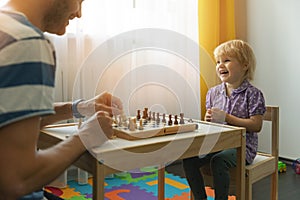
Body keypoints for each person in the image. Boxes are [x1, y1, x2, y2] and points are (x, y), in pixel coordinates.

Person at [0, 0, 123, 199]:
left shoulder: (5, 27)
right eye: (80, 1)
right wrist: (86, 137)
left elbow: (12, 123)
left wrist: (80, 107)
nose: (79, 13)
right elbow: (17, 179)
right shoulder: (27, 42)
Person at [182, 39, 266, 200]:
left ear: (244, 65)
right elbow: (210, 126)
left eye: (227, 60)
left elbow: (256, 125)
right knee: (189, 159)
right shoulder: (213, 93)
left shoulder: (253, 94)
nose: (220, 65)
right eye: (218, 61)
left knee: (218, 161)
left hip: (242, 148)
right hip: (217, 143)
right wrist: (208, 120)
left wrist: (227, 117)